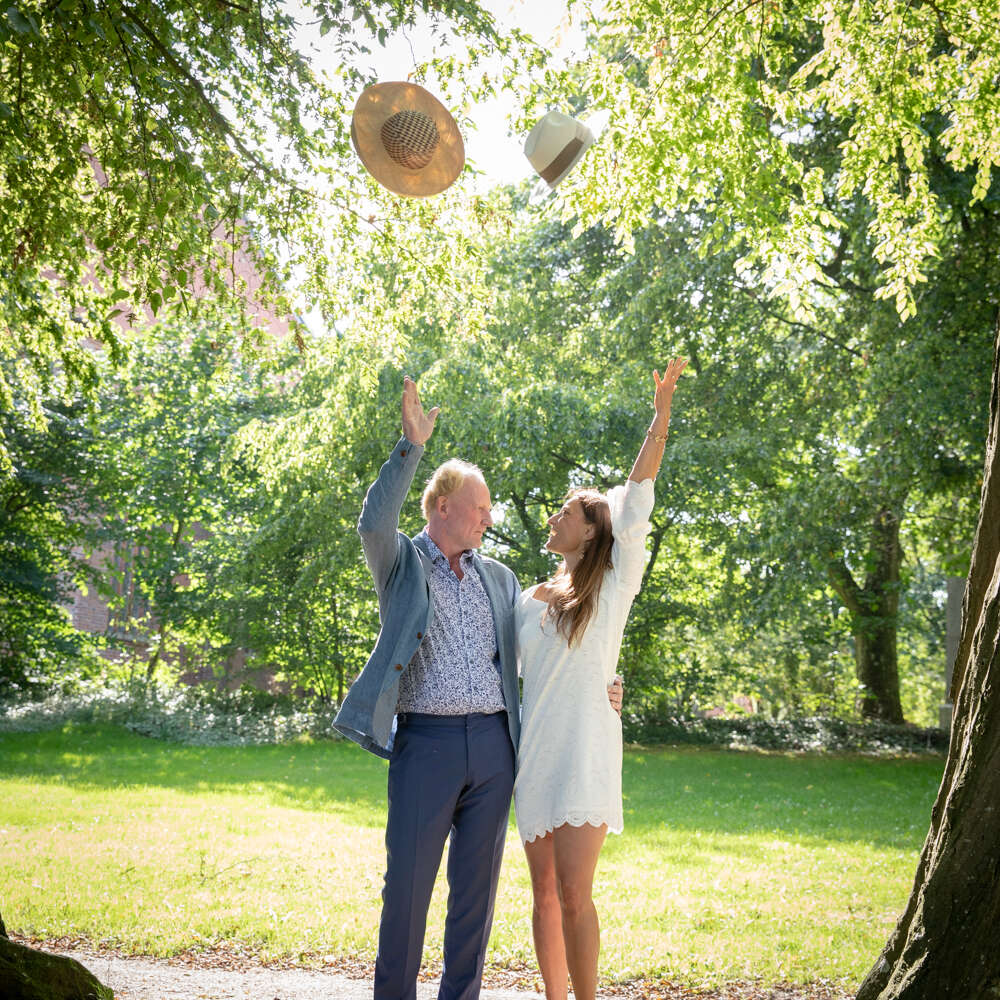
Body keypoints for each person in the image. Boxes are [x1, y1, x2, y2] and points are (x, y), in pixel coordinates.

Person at [333, 376, 622, 1000]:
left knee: (476, 898)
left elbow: (553, 646)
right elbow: (373, 522)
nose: (490, 517)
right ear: (442, 507)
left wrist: (607, 683)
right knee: (407, 889)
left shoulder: (501, 579)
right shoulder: (402, 563)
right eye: (481, 507)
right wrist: (409, 448)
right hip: (427, 745)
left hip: (495, 749)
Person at [514, 358, 688, 1000]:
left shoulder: (613, 586)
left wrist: (660, 416)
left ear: (591, 530)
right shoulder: (526, 601)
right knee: (541, 896)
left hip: (587, 751)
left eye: (566, 512)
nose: (553, 518)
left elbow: (637, 494)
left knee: (574, 894)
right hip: (534, 757)